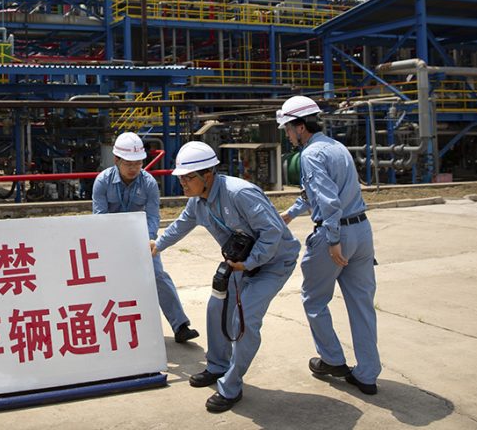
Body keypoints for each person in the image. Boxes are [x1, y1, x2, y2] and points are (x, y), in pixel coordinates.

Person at [152, 141, 300, 413]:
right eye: (181, 177)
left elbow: (272, 232)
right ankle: (217, 365)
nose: (182, 183)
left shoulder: (240, 193)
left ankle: (231, 386)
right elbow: (181, 224)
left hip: (273, 262)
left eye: (187, 178)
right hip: (240, 263)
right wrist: (158, 245)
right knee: (217, 307)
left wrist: (252, 262)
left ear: (207, 176)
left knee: (243, 320)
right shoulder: (198, 201)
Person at [277, 95, 381, 395]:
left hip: (336, 236)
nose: (287, 135)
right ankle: (367, 374)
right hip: (362, 232)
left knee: (313, 298)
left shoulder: (310, 155)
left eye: (288, 129)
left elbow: (329, 202)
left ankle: (333, 359)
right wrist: (291, 213)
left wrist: (333, 241)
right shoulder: (337, 148)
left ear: (300, 127)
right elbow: (316, 193)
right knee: (362, 305)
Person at [93, 132, 199, 343]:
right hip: (110, 242)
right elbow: (100, 219)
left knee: (158, 275)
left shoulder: (148, 183)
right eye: (129, 163)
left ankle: (180, 325)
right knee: (108, 283)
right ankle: (107, 331)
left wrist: (148, 242)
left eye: (139, 163)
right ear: (116, 160)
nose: (134, 168)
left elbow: (153, 217)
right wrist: (114, 245)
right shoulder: (102, 182)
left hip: (141, 240)